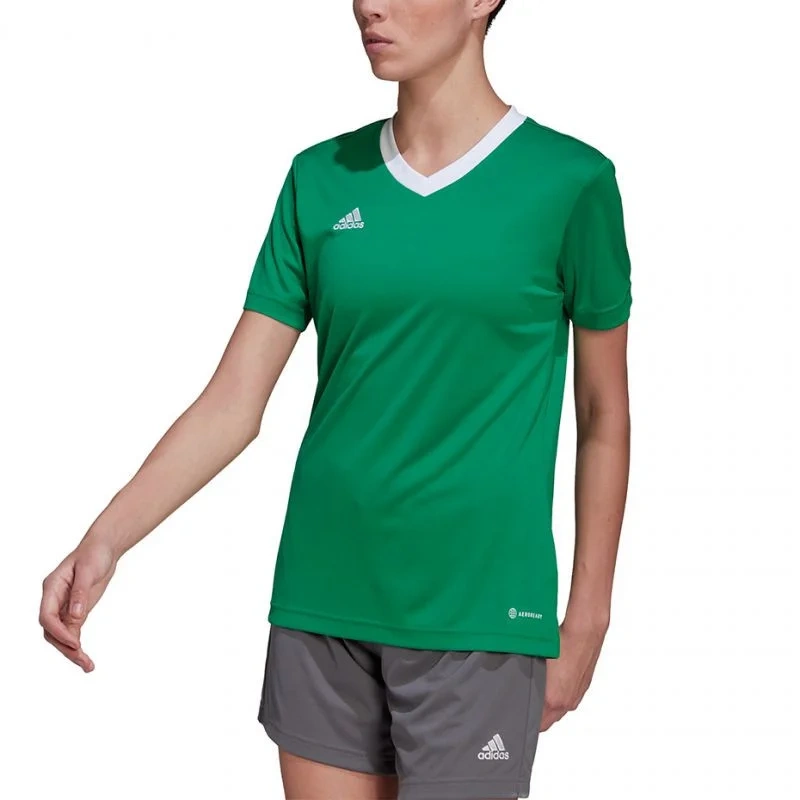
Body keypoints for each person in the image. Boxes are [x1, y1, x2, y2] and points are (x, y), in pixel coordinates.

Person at [39, 1, 632, 798]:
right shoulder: (319, 180)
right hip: (322, 606)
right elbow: (233, 402)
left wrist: (587, 617)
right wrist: (104, 541)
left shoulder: (570, 183)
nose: (367, 6)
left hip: (481, 616)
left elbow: (603, 415)